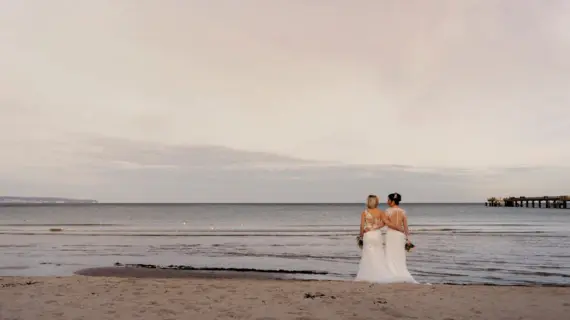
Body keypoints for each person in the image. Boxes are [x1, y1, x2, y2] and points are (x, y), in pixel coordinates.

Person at [355, 195, 395, 283]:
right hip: (376, 235)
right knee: (378, 253)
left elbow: (362, 226)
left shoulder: (364, 212)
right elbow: (384, 223)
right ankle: (380, 274)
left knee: (368, 255)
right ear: (376, 202)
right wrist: (375, 227)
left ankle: (368, 275)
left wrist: (361, 235)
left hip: (368, 235)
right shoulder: (380, 212)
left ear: (368, 202)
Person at [383, 192, 417, 283]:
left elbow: (386, 223)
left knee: (390, 253)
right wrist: (408, 238)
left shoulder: (387, 211)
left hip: (391, 234)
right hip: (400, 235)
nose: (387, 201)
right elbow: (406, 227)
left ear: (393, 201)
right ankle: (400, 272)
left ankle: (391, 273)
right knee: (399, 254)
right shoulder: (403, 212)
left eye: (388, 200)